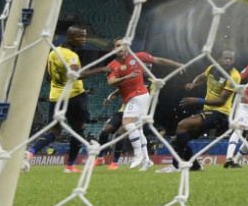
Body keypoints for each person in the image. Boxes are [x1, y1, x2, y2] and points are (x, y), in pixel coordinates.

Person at [105, 39, 185, 170]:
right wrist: (126, 78)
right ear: (114, 49)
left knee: (127, 123)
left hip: (140, 95)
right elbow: (111, 82)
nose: (121, 47)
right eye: (118, 46)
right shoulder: (113, 65)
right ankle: (146, 160)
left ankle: (138, 155)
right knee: (138, 130)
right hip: (130, 99)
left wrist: (178, 65)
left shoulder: (138, 56)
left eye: (123, 45)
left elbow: (159, 60)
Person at [28, 24, 92, 173]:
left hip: (56, 97)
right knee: (78, 129)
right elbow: (78, 75)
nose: (84, 39)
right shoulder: (71, 55)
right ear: (70, 38)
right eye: (80, 36)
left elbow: (48, 78)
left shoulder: (53, 53)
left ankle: (31, 151)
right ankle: (70, 165)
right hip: (74, 96)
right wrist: (102, 69)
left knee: (55, 131)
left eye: (84, 35)